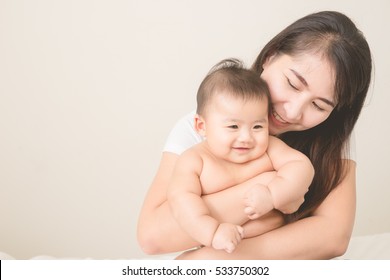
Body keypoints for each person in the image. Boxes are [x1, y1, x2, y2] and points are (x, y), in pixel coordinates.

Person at [137, 11, 372, 259]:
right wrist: (271, 184)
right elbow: (153, 236)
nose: (293, 112)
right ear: (270, 56)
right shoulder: (202, 130)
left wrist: (218, 259)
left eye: (319, 106)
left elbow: (333, 237)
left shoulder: (329, 136)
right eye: (292, 84)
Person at [168, 59, 314, 254]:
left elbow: (301, 166)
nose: (246, 137)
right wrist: (212, 232)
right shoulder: (194, 161)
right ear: (202, 126)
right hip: (222, 250)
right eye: (233, 126)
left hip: (275, 249)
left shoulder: (269, 148)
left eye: (258, 126)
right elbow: (181, 201)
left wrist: (273, 194)